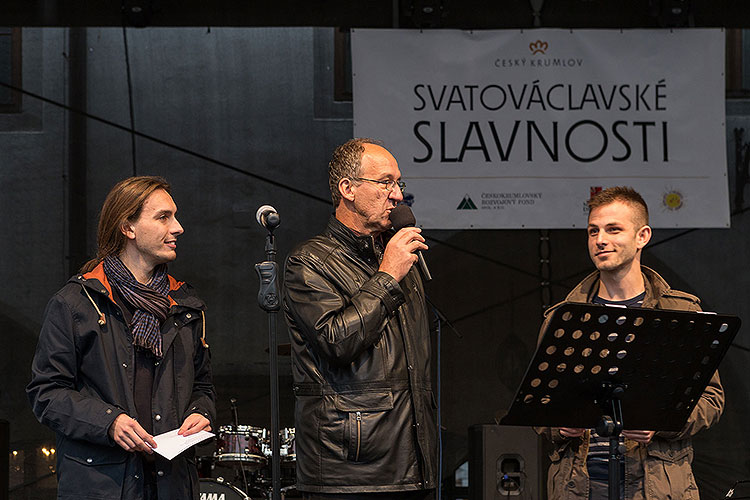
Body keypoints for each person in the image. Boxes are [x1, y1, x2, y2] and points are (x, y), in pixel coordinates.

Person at [27, 176, 216, 500]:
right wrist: (109, 422)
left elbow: (202, 386)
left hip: (171, 484)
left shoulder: (186, 306)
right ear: (128, 227)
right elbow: (46, 393)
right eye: (163, 217)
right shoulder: (76, 303)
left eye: (175, 215)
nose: (178, 227)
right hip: (101, 484)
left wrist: (202, 413)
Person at [535, 186, 724, 500]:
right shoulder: (564, 316)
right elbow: (537, 403)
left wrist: (662, 423)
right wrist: (558, 426)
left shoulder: (680, 312)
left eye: (613, 229)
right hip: (579, 487)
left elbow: (712, 399)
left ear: (642, 236)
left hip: (656, 485)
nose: (600, 240)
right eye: (593, 231)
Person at [283, 138, 437, 499]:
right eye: (386, 182)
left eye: (399, 183)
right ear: (347, 189)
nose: (397, 195)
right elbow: (337, 342)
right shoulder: (309, 262)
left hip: (413, 464)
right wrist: (386, 277)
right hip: (350, 471)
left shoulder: (399, 259)